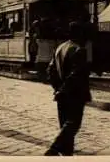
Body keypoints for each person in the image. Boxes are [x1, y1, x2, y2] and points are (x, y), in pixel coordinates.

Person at [45, 21, 92, 156]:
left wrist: (57, 88)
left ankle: (67, 154)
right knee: (73, 124)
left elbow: (50, 70)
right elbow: (76, 75)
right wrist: (64, 89)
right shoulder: (79, 50)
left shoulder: (60, 48)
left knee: (65, 124)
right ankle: (55, 147)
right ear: (79, 34)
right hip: (74, 94)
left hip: (61, 94)